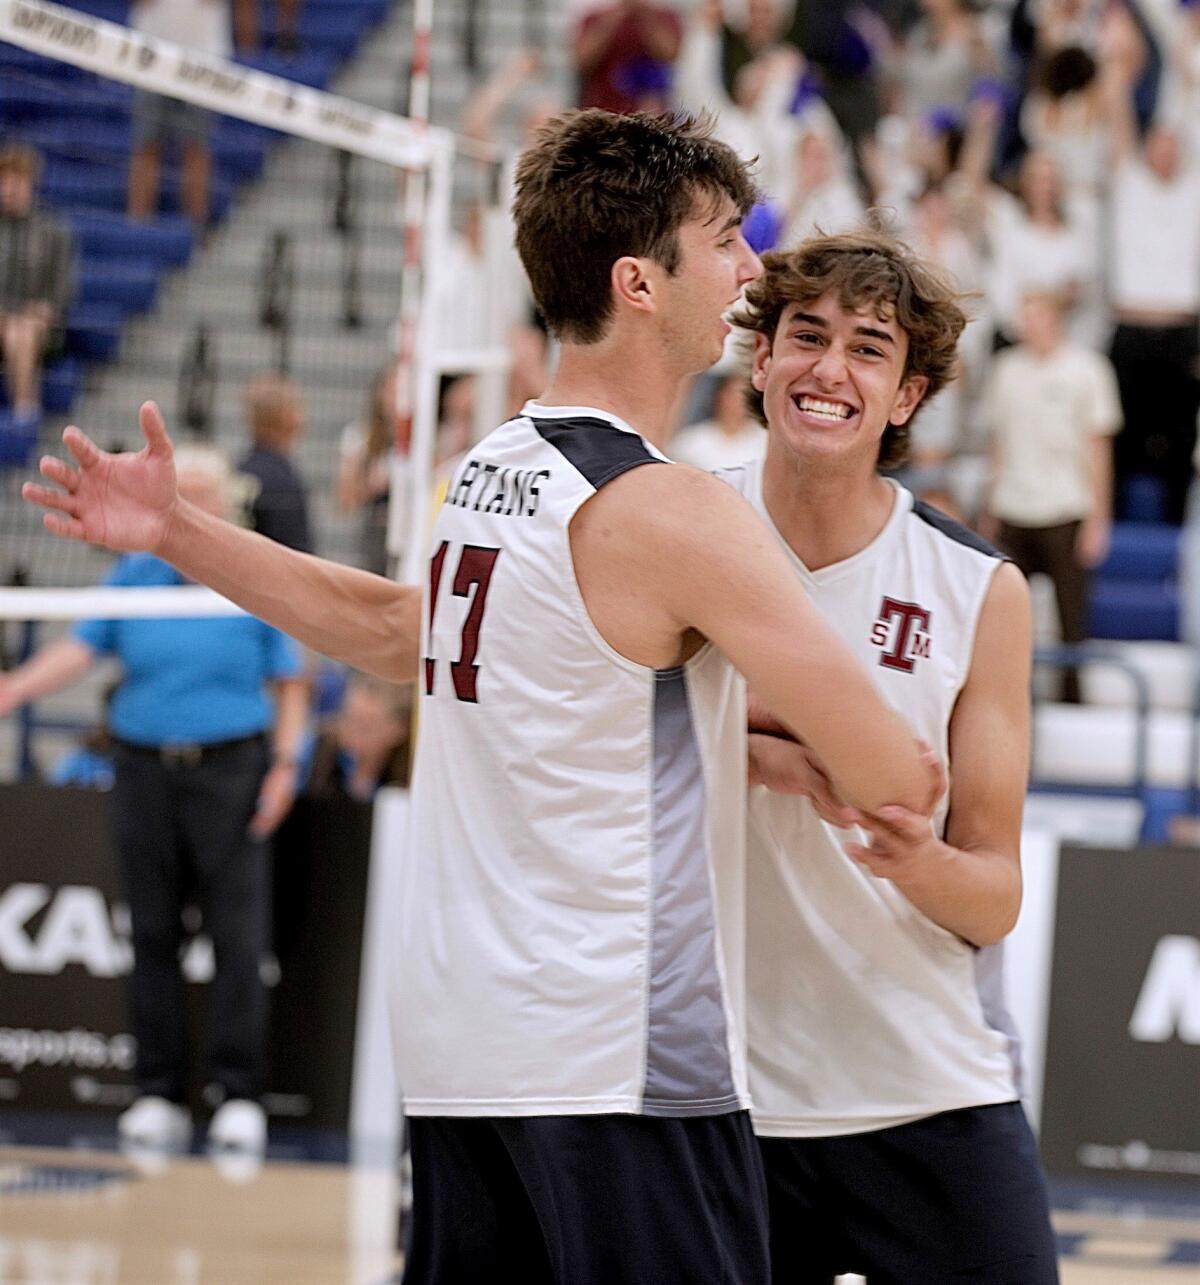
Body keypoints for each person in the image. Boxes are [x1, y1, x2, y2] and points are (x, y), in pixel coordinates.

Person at [23, 110, 936, 1283]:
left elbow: (396, 629)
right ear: (638, 282)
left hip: (465, 1054)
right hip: (622, 1059)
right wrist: (879, 771)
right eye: (724, 241)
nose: (750, 269)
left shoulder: (497, 464)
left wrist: (178, 531)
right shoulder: (676, 510)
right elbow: (891, 768)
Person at [726, 231, 1059, 1283]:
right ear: (761, 362)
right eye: (807, 336)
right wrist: (765, 752)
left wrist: (911, 852)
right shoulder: (675, 532)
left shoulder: (979, 590)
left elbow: (993, 894)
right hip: (718, 1098)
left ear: (907, 396)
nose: (829, 368)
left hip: (925, 1086)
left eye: (868, 349)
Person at [3, 444, 307, 1154]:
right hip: (143, 770)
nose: (185, 505)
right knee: (151, 933)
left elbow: (291, 678)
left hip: (232, 770)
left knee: (237, 939)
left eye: (200, 493)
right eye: (177, 493)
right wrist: (15, 688)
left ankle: (237, 1093)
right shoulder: (135, 573)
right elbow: (79, 649)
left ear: (225, 503)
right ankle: (157, 1091)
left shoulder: (252, 571)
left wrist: (286, 765)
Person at [982, 289, 1120, 702]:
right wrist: (990, 508)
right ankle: (1007, 700)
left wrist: (1099, 519)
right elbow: (998, 446)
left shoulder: (1087, 370)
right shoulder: (1006, 371)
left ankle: (1072, 698)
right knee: (1003, 618)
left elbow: (1099, 449)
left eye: (1036, 315)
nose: (1028, 325)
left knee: (1071, 619)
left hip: (1065, 507)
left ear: (1054, 318)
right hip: (1012, 507)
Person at [127, 0, 231, 224]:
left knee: (196, 148)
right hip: (150, 61)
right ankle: (137, 226)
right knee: (146, 145)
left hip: (202, 62)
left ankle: (195, 230)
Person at [0, 144, 75, 431]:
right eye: (3, 182)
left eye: (15, 181)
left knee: (21, 330)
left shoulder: (53, 230)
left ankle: (24, 411)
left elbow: (62, 288)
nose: (8, 189)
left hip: (37, 325)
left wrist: (46, 307)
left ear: (31, 183)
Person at [303, 672, 411, 800]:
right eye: (347, 719)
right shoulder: (316, 755)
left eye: (364, 727)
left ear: (398, 730)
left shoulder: (405, 778)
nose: (349, 734)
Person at [238, 371, 314, 554]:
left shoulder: (244, 468)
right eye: (297, 407)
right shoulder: (282, 480)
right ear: (285, 417)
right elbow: (295, 550)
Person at [671, 369, 766, 470]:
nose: (737, 401)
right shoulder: (691, 440)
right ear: (719, 397)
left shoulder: (764, 442)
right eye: (731, 395)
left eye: (743, 396)